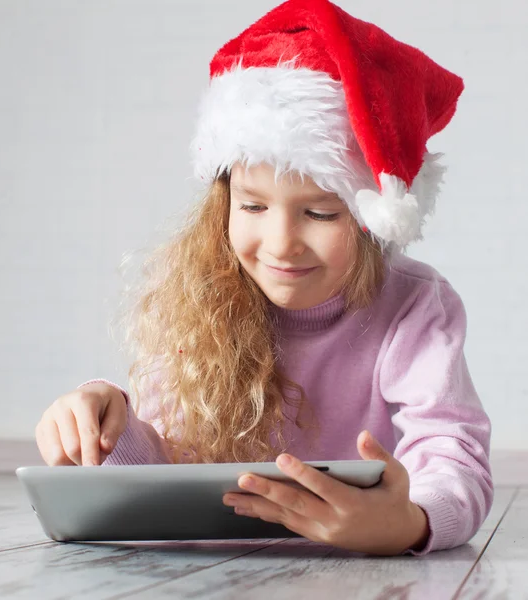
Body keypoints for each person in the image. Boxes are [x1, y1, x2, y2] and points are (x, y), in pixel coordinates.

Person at [35, 0, 493, 556]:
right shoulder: (203, 296)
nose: (280, 244)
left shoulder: (414, 306)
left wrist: (411, 522)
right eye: (252, 207)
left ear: (375, 221)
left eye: (321, 214)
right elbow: (164, 461)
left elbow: (452, 454)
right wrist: (108, 426)